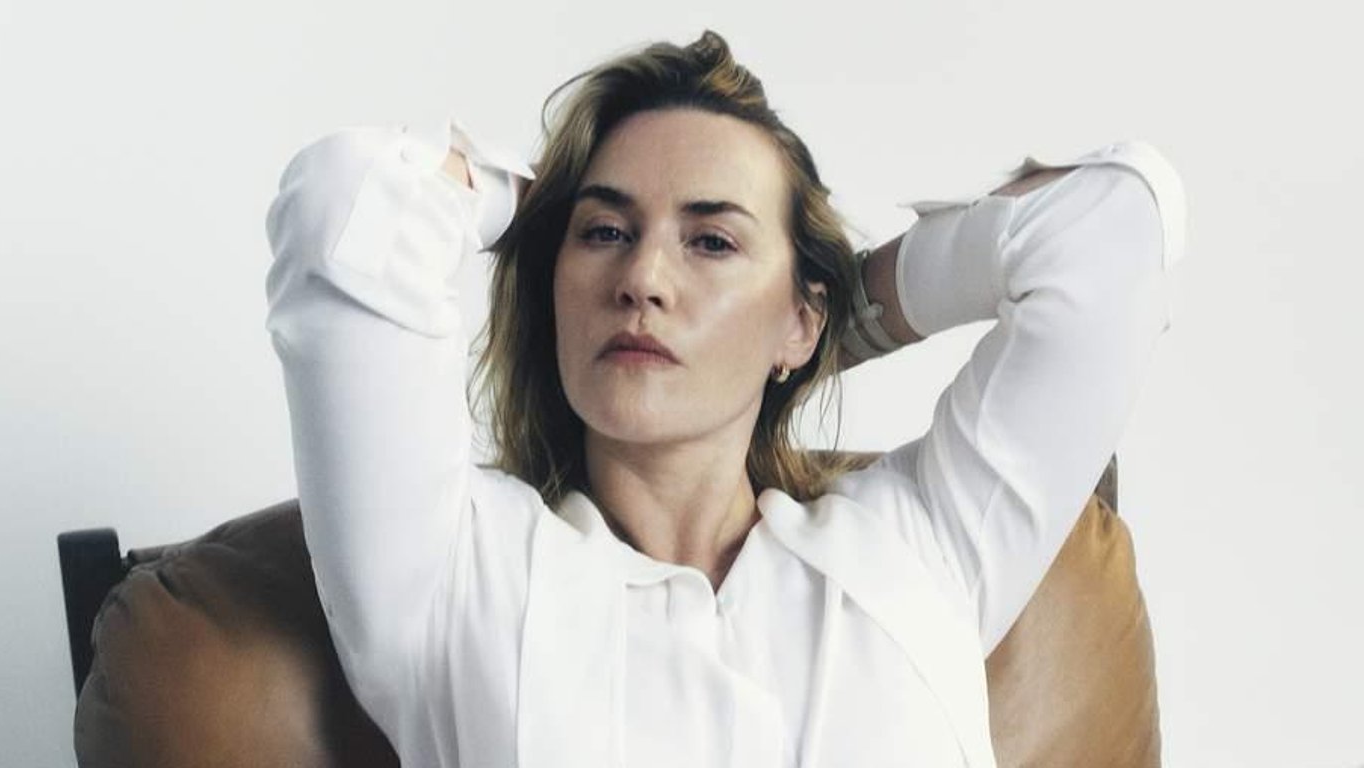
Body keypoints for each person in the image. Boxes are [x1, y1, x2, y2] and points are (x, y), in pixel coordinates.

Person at [263, 29, 1184, 768]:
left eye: (711, 242)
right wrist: (533, 207)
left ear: (798, 321)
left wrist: (847, 315)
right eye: (605, 231)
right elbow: (346, 199)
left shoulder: (925, 549)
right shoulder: (457, 577)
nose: (642, 278)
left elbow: (1112, 224)